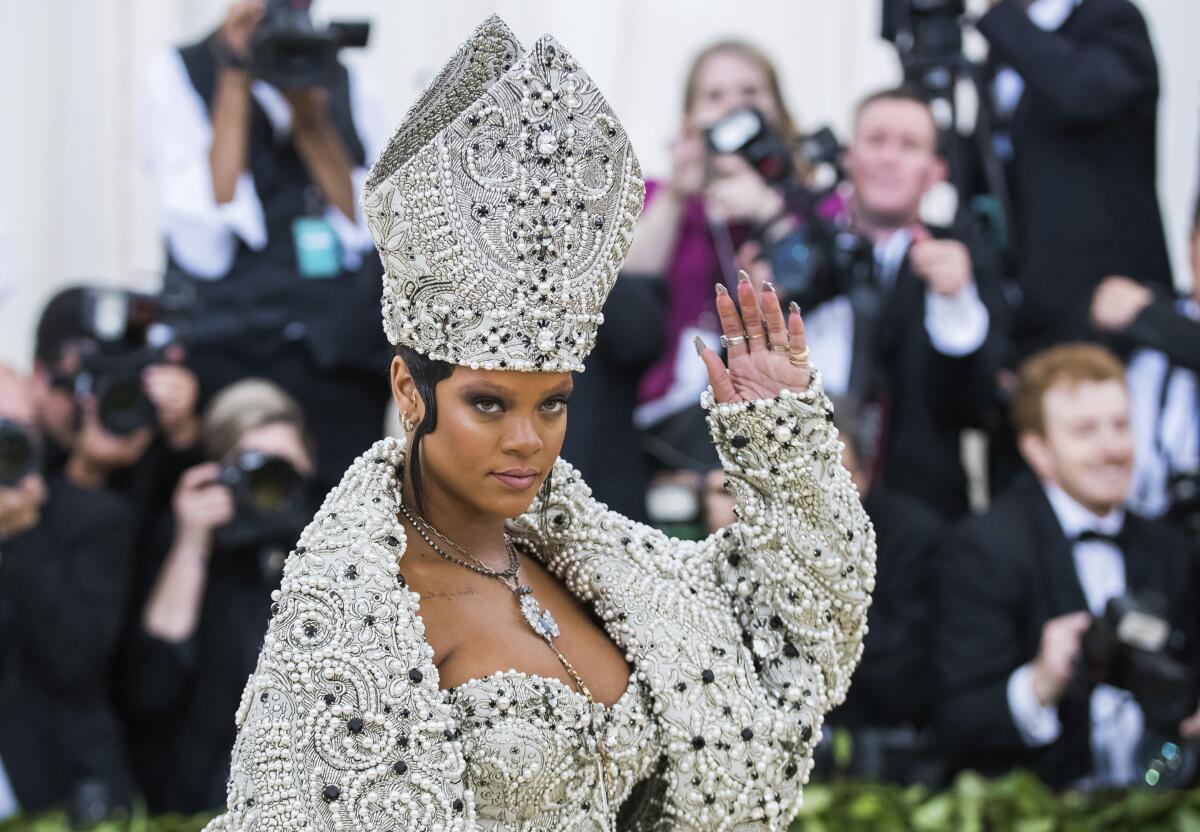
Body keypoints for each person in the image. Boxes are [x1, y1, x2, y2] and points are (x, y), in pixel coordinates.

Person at [202, 16, 875, 832]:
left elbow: (796, 636)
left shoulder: (604, 565)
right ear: (410, 392)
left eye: (551, 403)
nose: (528, 439)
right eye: (489, 402)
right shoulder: (351, 609)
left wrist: (780, 441)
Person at [140, 0, 392, 488]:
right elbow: (204, 248)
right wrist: (234, 76)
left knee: (348, 520)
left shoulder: (344, 76)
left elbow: (369, 229)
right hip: (235, 357)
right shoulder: (178, 72)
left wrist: (311, 118)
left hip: (338, 365)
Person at [935, 344, 1198, 790]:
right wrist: (1037, 683)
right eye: (1085, 431)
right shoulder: (984, 547)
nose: (1112, 448)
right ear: (1038, 450)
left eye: (1121, 425)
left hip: (1161, 797)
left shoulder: (1169, 546)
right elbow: (955, 723)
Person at [747, 87, 1007, 519]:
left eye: (909, 145)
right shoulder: (794, 250)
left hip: (920, 518)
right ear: (849, 157)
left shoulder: (963, 257)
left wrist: (957, 305)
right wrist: (755, 317)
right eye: (876, 140)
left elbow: (980, 402)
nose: (889, 157)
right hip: (791, 509)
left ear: (936, 170)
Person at [120, 380, 318, 814]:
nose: (274, 486)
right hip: (208, 793)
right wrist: (192, 544)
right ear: (221, 476)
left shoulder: (337, 542)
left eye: (284, 467)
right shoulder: (191, 545)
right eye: (256, 470)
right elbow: (152, 686)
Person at [623, 38, 807, 472]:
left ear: (777, 109)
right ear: (690, 116)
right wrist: (677, 193)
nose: (732, 107)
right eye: (715, 95)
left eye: (750, 93)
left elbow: (810, 276)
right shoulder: (659, 196)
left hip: (774, 413)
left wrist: (769, 209)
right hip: (664, 423)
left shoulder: (809, 203)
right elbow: (625, 280)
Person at [978, 0, 1173, 353]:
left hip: (1108, 301)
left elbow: (1082, 92)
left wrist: (999, 16)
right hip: (1032, 304)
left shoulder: (1113, 19)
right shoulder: (1002, 48)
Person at [0, 364, 136, 817]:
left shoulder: (90, 518)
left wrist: (21, 537)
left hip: (59, 788)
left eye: (17, 429)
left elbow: (76, 661)